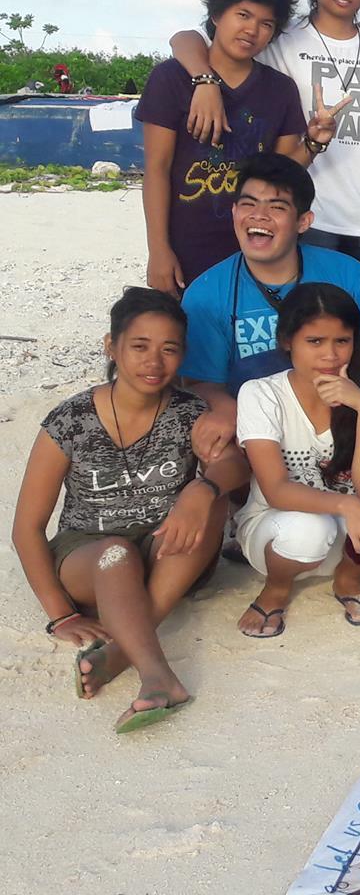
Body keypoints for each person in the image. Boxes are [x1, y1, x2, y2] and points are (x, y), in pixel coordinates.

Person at [169, 0, 360, 331]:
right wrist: (205, 81)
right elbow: (187, 38)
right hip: (308, 220)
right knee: (313, 331)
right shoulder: (281, 40)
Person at [13, 290, 222, 731]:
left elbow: (232, 462)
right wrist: (61, 614)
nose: (154, 362)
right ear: (112, 346)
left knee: (212, 504)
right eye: (140, 346)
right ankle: (156, 674)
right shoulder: (71, 420)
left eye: (169, 349)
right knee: (115, 553)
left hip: (168, 553)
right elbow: (27, 528)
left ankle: (123, 649)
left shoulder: (190, 413)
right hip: (89, 557)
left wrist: (202, 489)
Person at [179, 155, 360, 484]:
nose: (260, 216)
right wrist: (226, 408)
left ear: (304, 221)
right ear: (235, 212)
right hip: (265, 432)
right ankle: (250, 510)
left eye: (277, 208)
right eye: (248, 204)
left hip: (345, 421)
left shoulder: (346, 272)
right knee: (217, 426)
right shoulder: (207, 292)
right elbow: (199, 381)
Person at [231, 284, 360, 637]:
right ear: (287, 341)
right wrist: (348, 505)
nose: (330, 355)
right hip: (277, 536)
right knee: (311, 528)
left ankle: (348, 579)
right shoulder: (261, 394)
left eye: (341, 341)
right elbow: (277, 491)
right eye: (315, 342)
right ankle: (277, 588)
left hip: (348, 541)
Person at [141, 0, 312, 294]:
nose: (252, 30)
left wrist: (316, 143)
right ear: (217, 14)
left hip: (257, 248)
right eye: (243, 15)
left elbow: (281, 174)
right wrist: (158, 250)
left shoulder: (280, 90)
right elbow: (156, 169)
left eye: (266, 24)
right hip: (186, 246)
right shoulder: (171, 79)